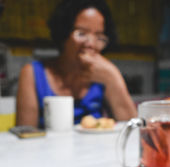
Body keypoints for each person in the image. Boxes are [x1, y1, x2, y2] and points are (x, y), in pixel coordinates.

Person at [16, 0, 137, 128]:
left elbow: (134, 131)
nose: (91, 44)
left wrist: (113, 77)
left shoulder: (103, 74)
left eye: (99, 37)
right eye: (81, 33)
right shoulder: (32, 73)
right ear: (63, 33)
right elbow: (25, 136)